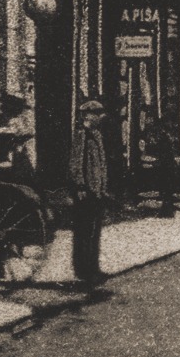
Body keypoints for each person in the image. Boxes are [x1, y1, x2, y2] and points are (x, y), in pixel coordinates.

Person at [68, 97, 111, 287]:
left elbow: (101, 166)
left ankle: (93, 268)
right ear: (88, 116)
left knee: (94, 232)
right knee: (84, 232)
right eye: (98, 114)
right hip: (85, 192)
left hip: (97, 191)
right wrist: (79, 186)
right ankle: (83, 270)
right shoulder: (82, 135)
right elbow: (75, 164)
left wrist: (102, 188)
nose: (101, 118)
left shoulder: (96, 135)